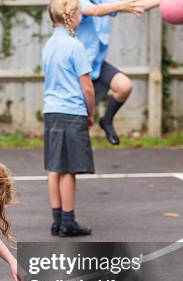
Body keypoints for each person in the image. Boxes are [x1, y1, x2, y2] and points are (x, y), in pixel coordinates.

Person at [44, 0, 96, 237]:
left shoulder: (48, 45)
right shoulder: (75, 46)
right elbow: (87, 88)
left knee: (55, 167)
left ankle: (57, 219)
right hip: (71, 111)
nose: (82, 17)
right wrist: (90, 112)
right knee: (68, 170)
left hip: (52, 111)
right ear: (72, 16)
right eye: (80, 13)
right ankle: (68, 221)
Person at [75, 0, 147, 144]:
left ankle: (106, 121)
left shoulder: (102, 1)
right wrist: (121, 5)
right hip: (79, 69)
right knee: (81, 124)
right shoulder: (76, 2)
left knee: (124, 86)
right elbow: (96, 11)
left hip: (97, 65)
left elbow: (136, 4)